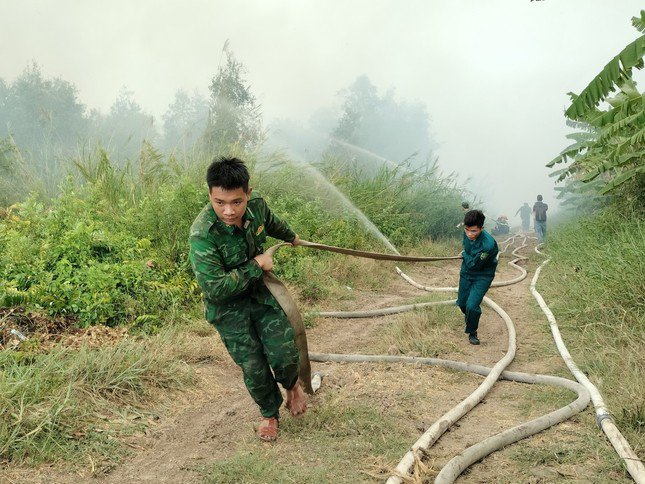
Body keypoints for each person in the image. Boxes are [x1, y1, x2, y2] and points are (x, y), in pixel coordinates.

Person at [189, 157, 306, 442]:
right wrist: (257, 264)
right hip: (229, 311)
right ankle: (269, 415)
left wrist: (291, 236)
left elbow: (271, 222)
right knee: (253, 366)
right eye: (219, 203)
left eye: (236, 202)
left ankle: (293, 386)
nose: (228, 211)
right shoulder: (202, 234)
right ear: (209, 195)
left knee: (284, 353)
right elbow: (216, 288)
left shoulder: (258, 207)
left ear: (248, 194)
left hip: (262, 297)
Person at [457, 210, 499, 345]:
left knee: (471, 305)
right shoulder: (467, 232)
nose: (469, 234)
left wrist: (464, 254)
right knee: (462, 304)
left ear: (482, 228)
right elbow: (467, 249)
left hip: (482, 275)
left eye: (474, 231)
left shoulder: (488, 245)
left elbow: (474, 264)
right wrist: (465, 253)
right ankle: (471, 318)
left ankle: (472, 331)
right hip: (466, 273)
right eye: (467, 230)